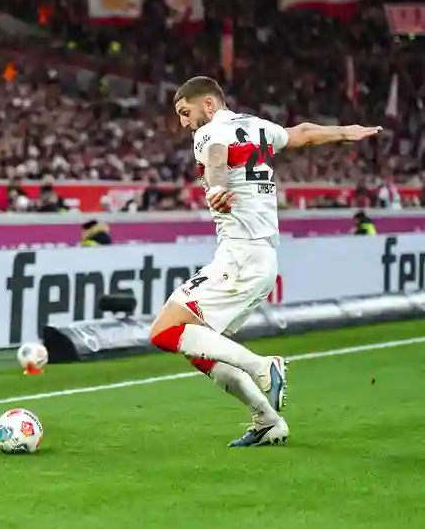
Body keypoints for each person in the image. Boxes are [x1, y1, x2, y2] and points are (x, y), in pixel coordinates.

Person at [149, 76, 382, 447]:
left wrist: (217, 187)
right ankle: (267, 420)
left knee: (164, 331)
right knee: (198, 346)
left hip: (240, 256)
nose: (184, 122)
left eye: (185, 112)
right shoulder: (258, 126)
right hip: (261, 258)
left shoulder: (210, 131)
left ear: (208, 104)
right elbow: (303, 133)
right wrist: (344, 131)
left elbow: (216, 158)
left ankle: (263, 366)